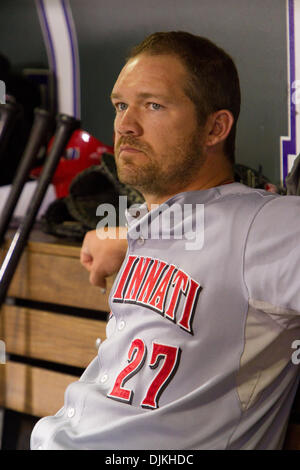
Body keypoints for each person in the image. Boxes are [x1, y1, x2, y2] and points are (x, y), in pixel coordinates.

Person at [30, 31, 300, 450]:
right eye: (121, 105)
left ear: (215, 128)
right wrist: (127, 236)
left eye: (153, 105)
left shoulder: (266, 225)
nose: (125, 125)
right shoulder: (152, 224)